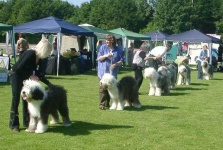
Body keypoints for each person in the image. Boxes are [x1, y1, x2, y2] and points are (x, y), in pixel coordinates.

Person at [9, 37, 52, 132]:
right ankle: (14, 124)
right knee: (16, 99)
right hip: (16, 75)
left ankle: (27, 122)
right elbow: (19, 67)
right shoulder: (30, 53)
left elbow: (39, 74)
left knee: (28, 99)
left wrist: (49, 84)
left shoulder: (40, 59)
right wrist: (31, 75)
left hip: (25, 77)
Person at [97, 34, 123, 110]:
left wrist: (115, 64)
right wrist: (106, 56)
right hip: (103, 72)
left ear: (113, 41)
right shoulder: (103, 47)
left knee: (111, 88)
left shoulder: (118, 49)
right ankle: (102, 105)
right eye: (106, 40)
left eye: (108, 40)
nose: (107, 41)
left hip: (112, 73)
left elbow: (121, 60)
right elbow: (99, 58)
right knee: (102, 88)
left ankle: (108, 104)